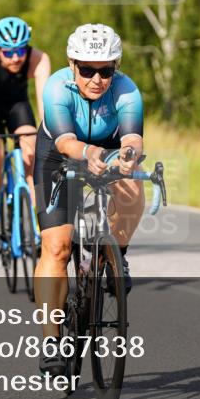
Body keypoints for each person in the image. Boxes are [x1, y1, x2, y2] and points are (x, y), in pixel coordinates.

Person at [32, 23, 145, 376]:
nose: (96, 79)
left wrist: (128, 157)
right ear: (71, 64)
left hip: (107, 148)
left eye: (106, 70)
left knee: (133, 188)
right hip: (59, 153)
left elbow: (133, 139)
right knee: (57, 247)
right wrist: (87, 152)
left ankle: (116, 256)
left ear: (117, 67)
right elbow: (65, 141)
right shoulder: (56, 88)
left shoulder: (127, 91)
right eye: (86, 69)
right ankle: (51, 340)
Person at [0, 17, 51, 253]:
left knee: (33, 158)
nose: (16, 57)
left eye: (21, 50)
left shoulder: (39, 58)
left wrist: (50, 139)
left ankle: (40, 226)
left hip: (18, 107)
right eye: (9, 51)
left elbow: (46, 104)